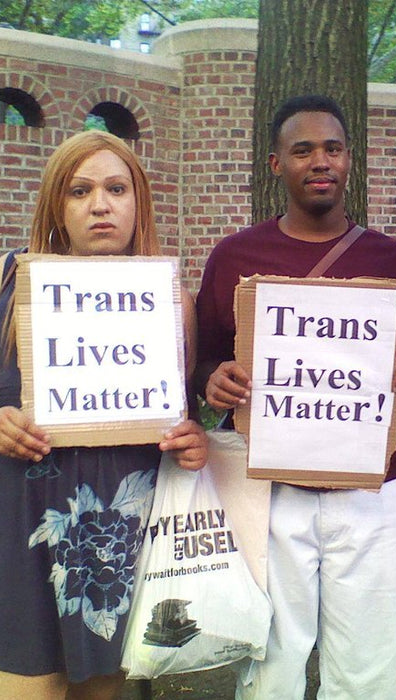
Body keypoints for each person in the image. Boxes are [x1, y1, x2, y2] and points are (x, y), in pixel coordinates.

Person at [196, 94, 396, 699]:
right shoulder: (234, 257)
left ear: (349, 160)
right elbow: (202, 359)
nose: (320, 161)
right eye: (302, 149)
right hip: (270, 488)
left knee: (371, 663)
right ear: (276, 163)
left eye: (332, 148)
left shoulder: (395, 260)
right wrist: (214, 378)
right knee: (271, 658)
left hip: (374, 489)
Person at [0, 130, 207, 700]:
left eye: (116, 188)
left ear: (137, 201)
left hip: (120, 540)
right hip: (22, 532)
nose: (100, 205)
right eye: (79, 191)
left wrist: (193, 443)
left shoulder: (172, 302)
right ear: (56, 207)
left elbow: (180, 420)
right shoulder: (8, 283)